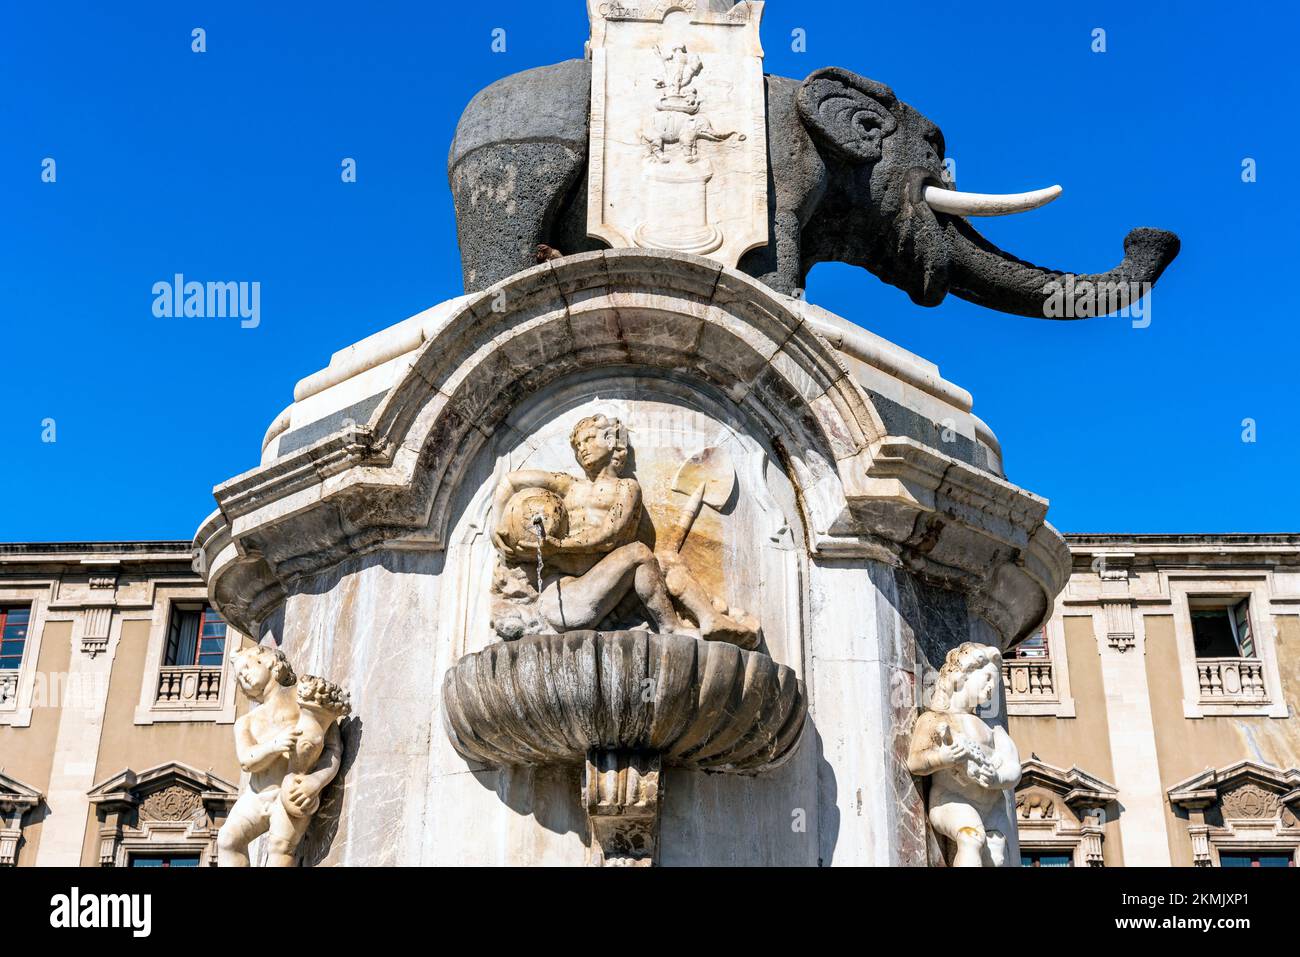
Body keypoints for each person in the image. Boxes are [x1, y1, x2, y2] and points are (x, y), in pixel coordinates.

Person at [489, 414, 758, 647]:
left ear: (612, 440)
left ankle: (709, 618)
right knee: (640, 553)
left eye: (590, 439)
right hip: (563, 600)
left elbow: (610, 535)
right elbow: (511, 482)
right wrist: (494, 529)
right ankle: (671, 627)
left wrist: (558, 546)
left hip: (599, 592)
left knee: (663, 560)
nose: (582, 448)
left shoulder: (626, 488)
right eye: (578, 444)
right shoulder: (569, 485)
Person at [907, 642, 1022, 867]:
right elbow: (915, 761)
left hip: (991, 807)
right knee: (972, 838)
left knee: (997, 859)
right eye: (987, 678)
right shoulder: (935, 719)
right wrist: (943, 758)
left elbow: (1014, 768)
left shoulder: (993, 729)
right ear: (962, 675)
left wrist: (998, 778)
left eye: (995, 682)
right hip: (951, 799)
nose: (992, 687)